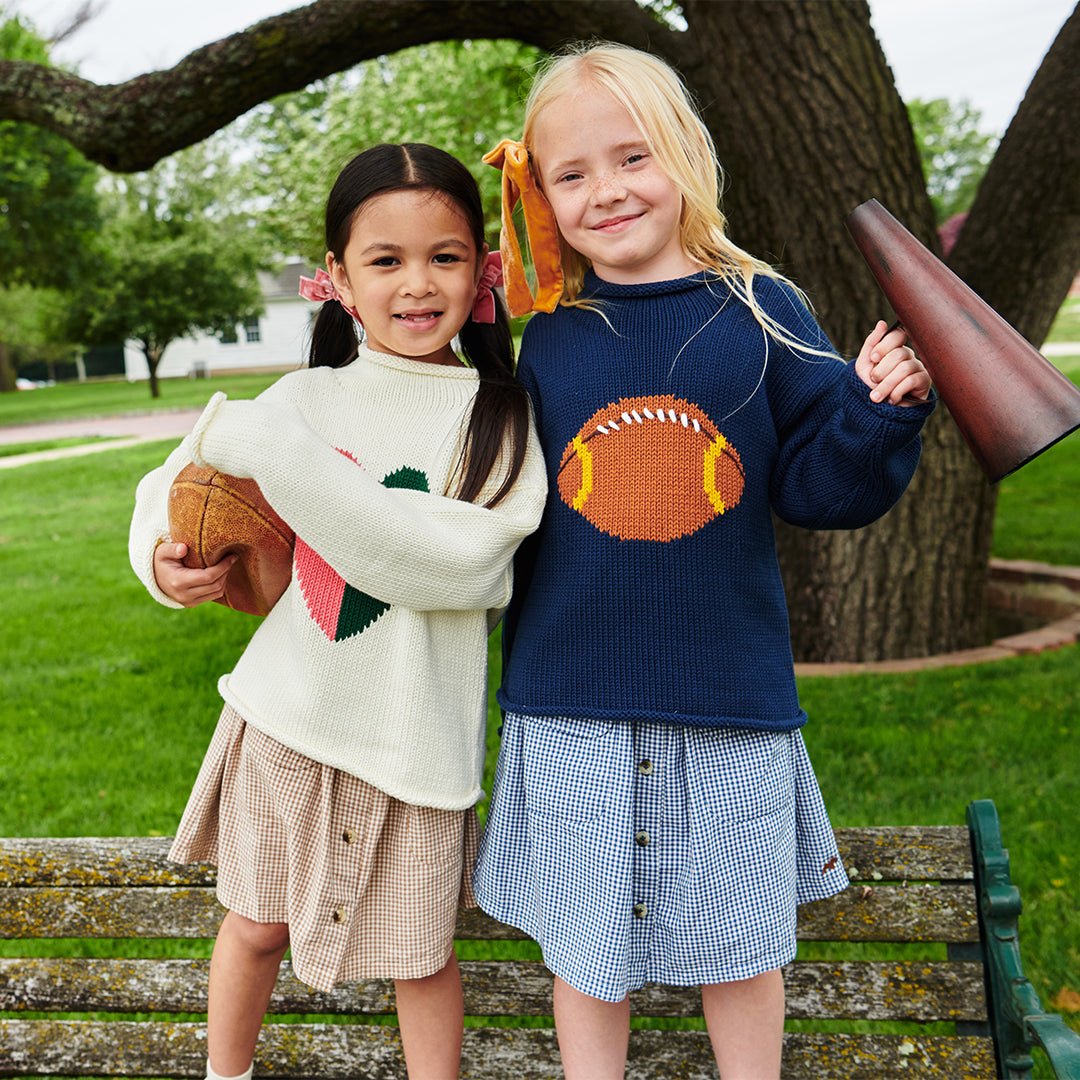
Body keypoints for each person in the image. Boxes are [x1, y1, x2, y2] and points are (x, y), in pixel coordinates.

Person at [475, 43, 934, 1080]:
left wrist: (875, 413)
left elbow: (821, 490)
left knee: (743, 950)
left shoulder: (764, 309)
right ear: (541, 195)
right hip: (570, 698)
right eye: (572, 173)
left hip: (728, 694)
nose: (606, 191)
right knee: (588, 956)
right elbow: (492, 498)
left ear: (684, 153)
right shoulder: (547, 335)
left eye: (632, 157)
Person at [128, 142, 547, 1080]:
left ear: (482, 271)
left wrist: (290, 463)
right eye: (385, 260)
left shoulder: (501, 418)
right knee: (254, 928)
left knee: (420, 960)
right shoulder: (303, 400)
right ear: (340, 279)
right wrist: (160, 556)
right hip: (287, 721)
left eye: (443, 257)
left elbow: (460, 566)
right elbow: (174, 481)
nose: (417, 284)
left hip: (416, 743)